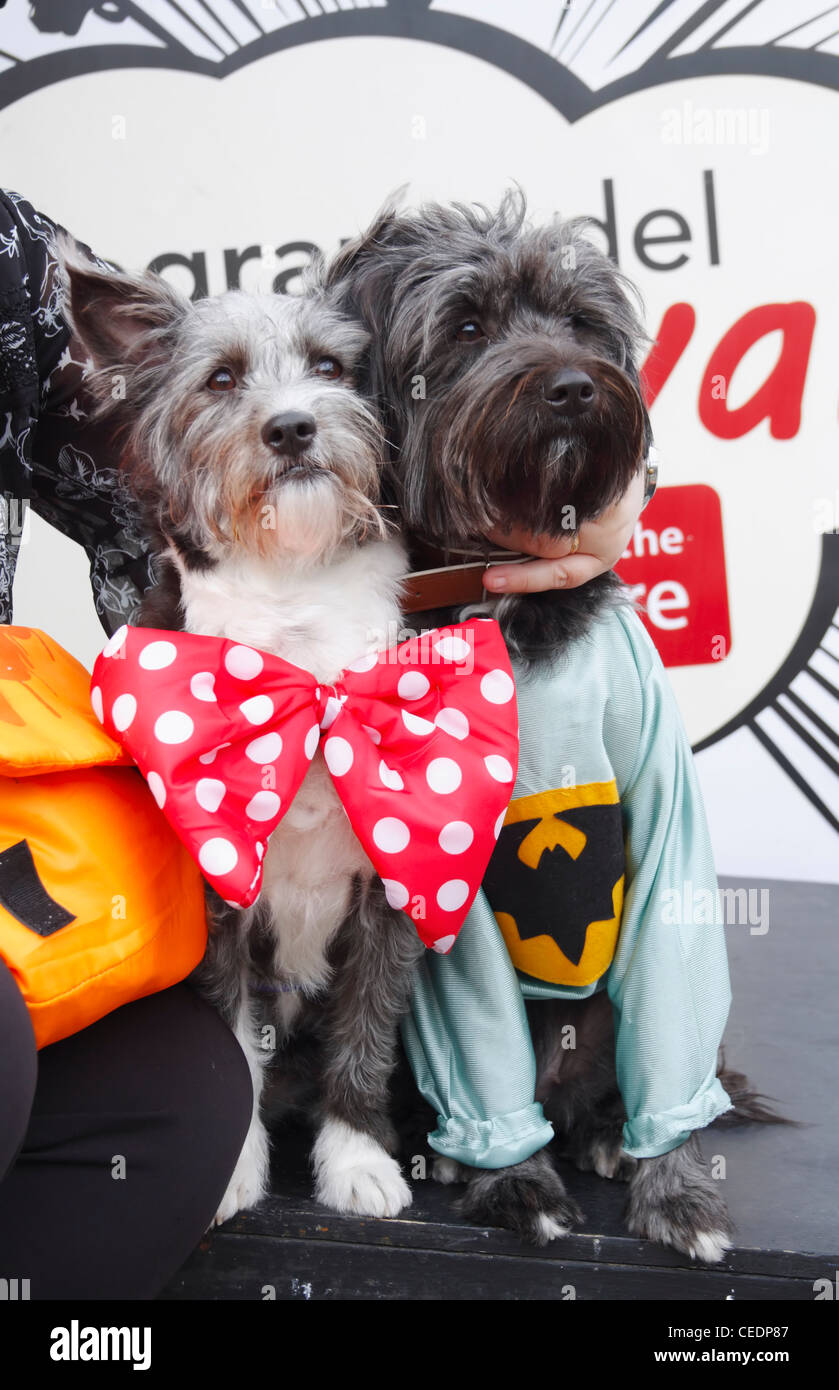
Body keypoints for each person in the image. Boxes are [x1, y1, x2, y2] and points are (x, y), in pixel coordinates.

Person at [0, 187, 646, 1298]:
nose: (288, 406)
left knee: (189, 1123)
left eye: (328, 373)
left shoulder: (15, 268)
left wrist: (571, 487)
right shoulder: (191, 690)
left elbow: (201, 486)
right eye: (233, 383)